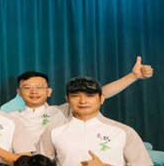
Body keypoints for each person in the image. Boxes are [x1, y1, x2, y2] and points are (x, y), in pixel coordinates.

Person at [10, 59, 152, 154]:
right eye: (27, 87)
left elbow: (100, 93)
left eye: (40, 87)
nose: (34, 92)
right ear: (19, 92)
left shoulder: (61, 111)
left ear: (49, 91)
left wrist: (133, 76)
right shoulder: (10, 117)